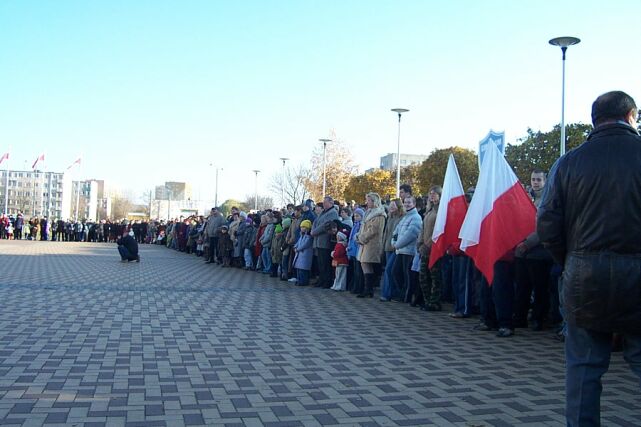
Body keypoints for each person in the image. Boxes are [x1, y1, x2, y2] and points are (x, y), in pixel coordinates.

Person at [537, 90, 641, 427]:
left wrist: (571, 261)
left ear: (594, 121)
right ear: (631, 116)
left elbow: (547, 224)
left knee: (583, 370)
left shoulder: (568, 163)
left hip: (584, 277)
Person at [355, 192, 386, 298]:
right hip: (364, 243)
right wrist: (358, 236)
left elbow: (373, 230)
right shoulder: (368, 212)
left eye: (368, 200)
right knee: (364, 264)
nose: (366, 202)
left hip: (371, 243)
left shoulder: (379, 214)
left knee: (368, 263)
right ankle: (367, 289)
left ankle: (369, 289)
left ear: (374, 201)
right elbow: (363, 227)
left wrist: (362, 238)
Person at [310, 196, 340, 288]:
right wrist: (312, 230)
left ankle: (327, 281)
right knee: (320, 263)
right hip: (318, 240)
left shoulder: (332, 212)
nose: (323, 204)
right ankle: (321, 280)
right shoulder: (323, 212)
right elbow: (315, 222)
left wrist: (314, 232)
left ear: (331, 202)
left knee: (325, 263)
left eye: (325, 202)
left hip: (325, 240)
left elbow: (325, 225)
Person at [293, 219, 314, 286]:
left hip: (305, 255)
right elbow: (298, 242)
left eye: (303, 227)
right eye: (301, 227)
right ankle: (299, 280)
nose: (302, 228)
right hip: (300, 254)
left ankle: (303, 281)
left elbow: (305, 244)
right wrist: (295, 247)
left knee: (303, 269)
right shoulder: (301, 236)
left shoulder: (309, 237)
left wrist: (298, 249)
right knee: (299, 268)